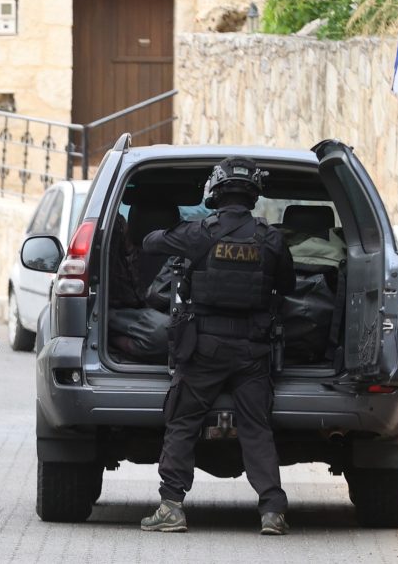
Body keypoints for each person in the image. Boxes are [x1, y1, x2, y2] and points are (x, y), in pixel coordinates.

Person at [138, 157, 296, 535]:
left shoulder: (198, 233)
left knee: (183, 420)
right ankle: (272, 511)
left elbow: (149, 243)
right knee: (257, 428)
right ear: (253, 195)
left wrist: (173, 234)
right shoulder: (271, 238)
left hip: (204, 350)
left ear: (216, 191)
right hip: (253, 351)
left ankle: (171, 507)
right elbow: (287, 286)